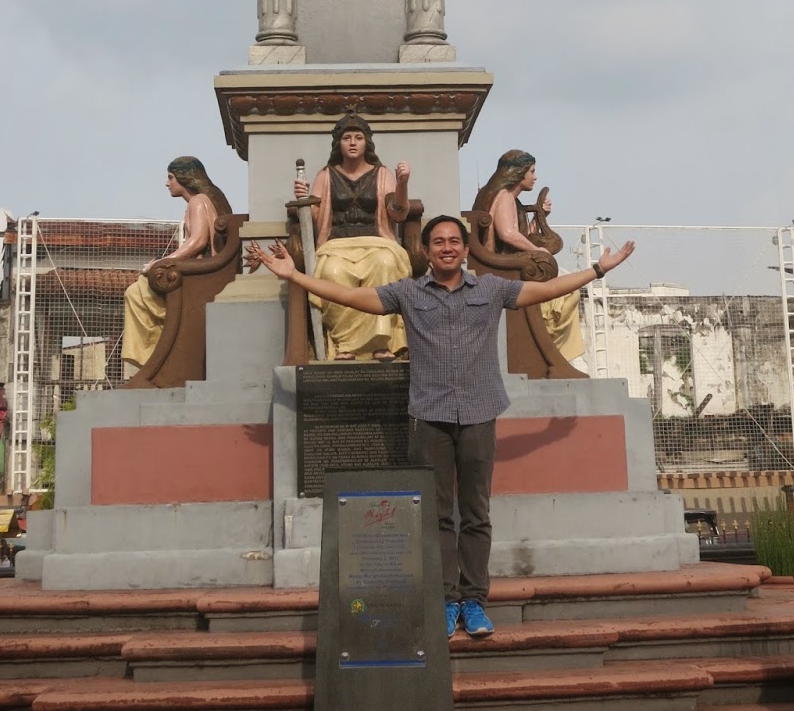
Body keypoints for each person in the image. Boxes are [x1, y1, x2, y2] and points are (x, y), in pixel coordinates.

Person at [248, 214, 635, 638]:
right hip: (429, 416)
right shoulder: (408, 293)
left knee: (475, 514)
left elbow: (544, 290)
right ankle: (447, 601)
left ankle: (475, 602)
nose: (447, 247)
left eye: (454, 241)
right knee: (436, 516)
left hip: (478, 413)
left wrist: (598, 270)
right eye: (438, 242)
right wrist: (295, 276)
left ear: (466, 250)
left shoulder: (490, 290)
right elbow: (349, 296)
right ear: (426, 251)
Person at [296, 113, 410, 360]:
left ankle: (380, 343)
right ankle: (345, 343)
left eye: (358, 137)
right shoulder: (326, 175)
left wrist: (402, 184)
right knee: (333, 273)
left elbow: (397, 214)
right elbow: (312, 215)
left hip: (377, 242)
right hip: (336, 244)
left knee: (385, 264)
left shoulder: (382, 174)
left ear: (367, 142)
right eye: (346, 137)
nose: (352, 142)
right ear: (338, 143)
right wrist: (302, 198)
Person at [476, 150, 586, 369]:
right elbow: (507, 234)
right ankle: (549, 347)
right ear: (519, 173)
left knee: (569, 292)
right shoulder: (505, 196)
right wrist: (538, 251)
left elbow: (521, 237)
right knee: (566, 293)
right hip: (507, 271)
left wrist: (539, 218)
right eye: (532, 171)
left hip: (515, 267)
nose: (535, 177)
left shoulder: (512, 200)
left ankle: (551, 348)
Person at [122, 156, 228, 378]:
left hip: (198, 278)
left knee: (135, 291)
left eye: (171, 177)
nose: (167, 183)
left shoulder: (198, 201)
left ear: (184, 177)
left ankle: (155, 358)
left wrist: (162, 263)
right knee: (139, 290)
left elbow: (198, 241)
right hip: (198, 273)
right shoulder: (200, 201)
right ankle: (157, 357)